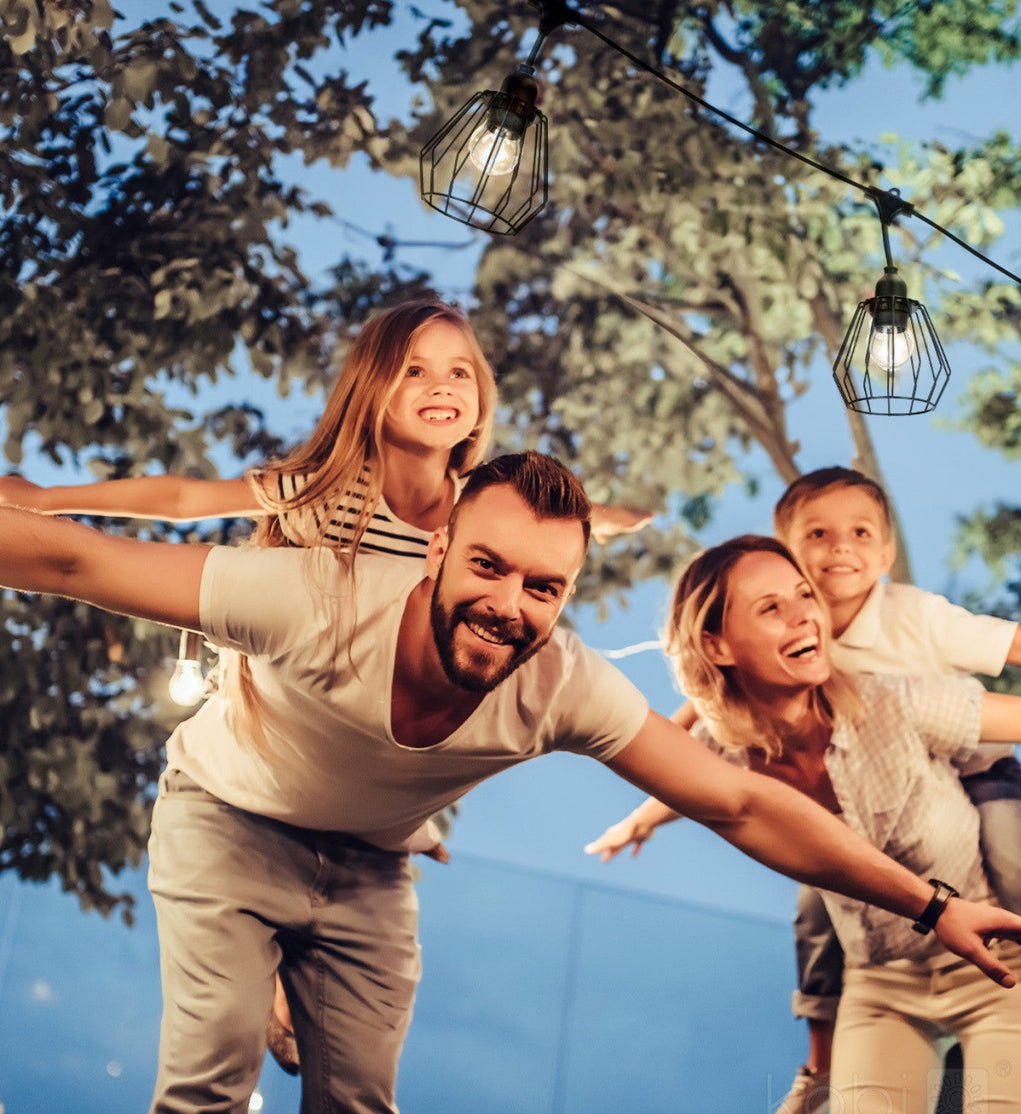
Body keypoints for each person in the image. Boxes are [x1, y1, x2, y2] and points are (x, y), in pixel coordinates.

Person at [0, 452, 1021, 1114]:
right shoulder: (312, 596)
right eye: (487, 566)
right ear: (434, 552)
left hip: (373, 865)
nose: (509, 604)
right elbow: (74, 559)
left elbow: (741, 803)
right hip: (232, 816)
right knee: (212, 1074)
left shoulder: (558, 681)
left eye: (543, 587)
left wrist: (933, 904)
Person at [0, 295, 649, 1074]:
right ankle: (274, 988)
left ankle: (324, 949)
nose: (442, 385)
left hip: (378, 744)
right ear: (371, 389)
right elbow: (181, 500)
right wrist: (42, 499)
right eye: (414, 370)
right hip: (289, 708)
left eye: (459, 372)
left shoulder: (483, 506)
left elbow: (564, 522)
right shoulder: (327, 486)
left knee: (444, 730)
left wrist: (610, 516)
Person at [591, 465, 1021, 1114]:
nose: (836, 555)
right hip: (881, 941)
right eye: (816, 539)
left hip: (972, 760)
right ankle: (820, 1066)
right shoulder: (777, 655)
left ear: (886, 552)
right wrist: (644, 813)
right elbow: (702, 724)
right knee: (814, 906)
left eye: (860, 534)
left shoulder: (910, 630)